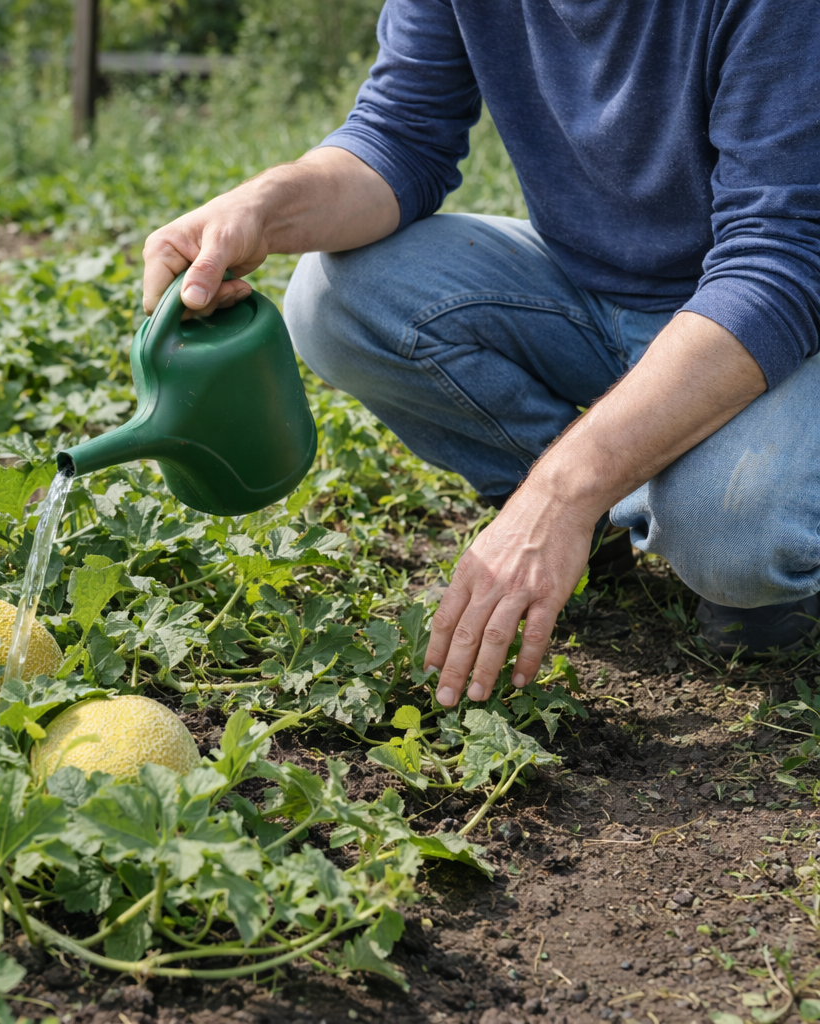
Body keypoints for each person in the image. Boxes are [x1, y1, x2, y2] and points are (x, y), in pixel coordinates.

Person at [141, 1, 820, 709]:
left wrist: (561, 490)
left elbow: (779, 267)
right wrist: (262, 208)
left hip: (773, 324)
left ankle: (677, 510)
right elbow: (401, 135)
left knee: (734, 535)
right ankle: (600, 517)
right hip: (590, 292)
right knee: (335, 297)